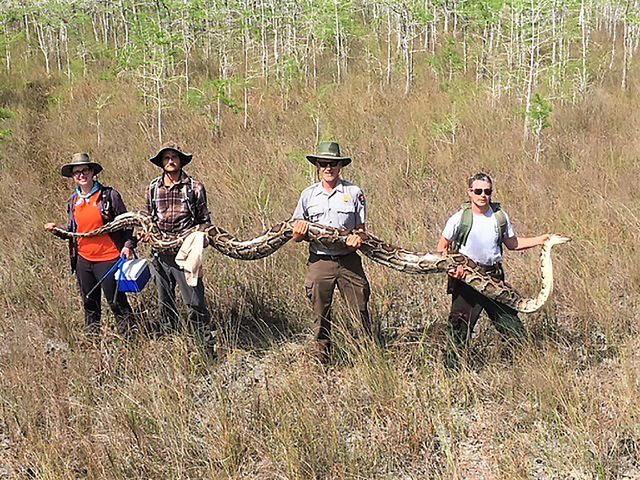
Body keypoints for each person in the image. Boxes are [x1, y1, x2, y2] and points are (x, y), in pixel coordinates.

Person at [436, 172, 550, 367]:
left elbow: (512, 243)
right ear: (469, 192)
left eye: (487, 191)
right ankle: (452, 374)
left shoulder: (499, 216)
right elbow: (442, 248)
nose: (483, 195)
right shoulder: (459, 218)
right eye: (478, 191)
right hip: (466, 281)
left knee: (512, 326)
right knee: (459, 330)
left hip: (494, 279)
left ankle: (527, 365)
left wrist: (540, 240)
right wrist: (453, 270)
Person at [292, 141, 372, 365]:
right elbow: (295, 234)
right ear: (317, 166)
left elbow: (362, 231)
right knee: (320, 313)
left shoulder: (354, 192)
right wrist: (299, 232)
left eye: (333, 163)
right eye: (324, 163)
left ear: (340, 166)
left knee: (360, 310)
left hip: (348, 260)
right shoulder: (308, 195)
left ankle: (366, 358)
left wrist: (358, 238)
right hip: (320, 260)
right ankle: (322, 361)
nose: (328, 168)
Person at [45, 153, 136, 338]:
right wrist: (58, 230)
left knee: (116, 301)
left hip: (109, 259)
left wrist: (128, 245)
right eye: (76, 172)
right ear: (72, 176)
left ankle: (131, 340)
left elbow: (127, 222)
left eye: (85, 170)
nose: (81, 175)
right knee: (89, 302)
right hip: (83, 260)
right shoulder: (73, 201)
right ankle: (92, 341)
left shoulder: (109, 195)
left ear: (92, 172)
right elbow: (74, 230)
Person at [142, 143, 214, 351]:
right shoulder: (153, 187)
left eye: (174, 157)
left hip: (187, 254)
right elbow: (147, 218)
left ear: (181, 160)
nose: (170, 161)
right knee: (165, 302)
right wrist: (144, 234)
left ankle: (205, 346)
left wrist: (200, 239)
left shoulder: (194, 187)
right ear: (161, 163)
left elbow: (204, 220)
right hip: (160, 254)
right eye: (166, 158)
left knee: (194, 301)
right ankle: (172, 345)